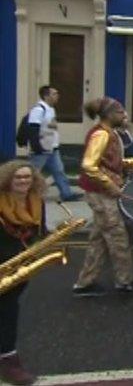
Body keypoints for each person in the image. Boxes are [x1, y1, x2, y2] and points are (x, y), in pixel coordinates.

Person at [73, 97, 133, 297]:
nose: (124, 115)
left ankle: (85, 283)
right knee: (118, 236)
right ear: (108, 114)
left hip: (101, 192)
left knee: (99, 239)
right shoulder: (101, 134)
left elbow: (113, 162)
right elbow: (88, 166)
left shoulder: (110, 134)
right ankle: (124, 282)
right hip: (101, 193)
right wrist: (111, 186)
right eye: (120, 112)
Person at [0, 161, 45, 385]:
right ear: (8, 179)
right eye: (18, 177)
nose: (23, 181)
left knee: (9, 308)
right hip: (3, 264)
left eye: (27, 177)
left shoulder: (37, 202)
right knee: (7, 312)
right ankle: (8, 360)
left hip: (22, 267)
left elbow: (40, 234)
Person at [25, 85, 80, 202]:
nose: (57, 96)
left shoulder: (51, 109)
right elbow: (33, 128)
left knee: (59, 170)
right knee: (33, 172)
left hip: (52, 147)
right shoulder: (38, 110)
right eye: (54, 94)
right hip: (41, 148)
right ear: (46, 96)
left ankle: (66, 193)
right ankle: (25, 194)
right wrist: (37, 146)